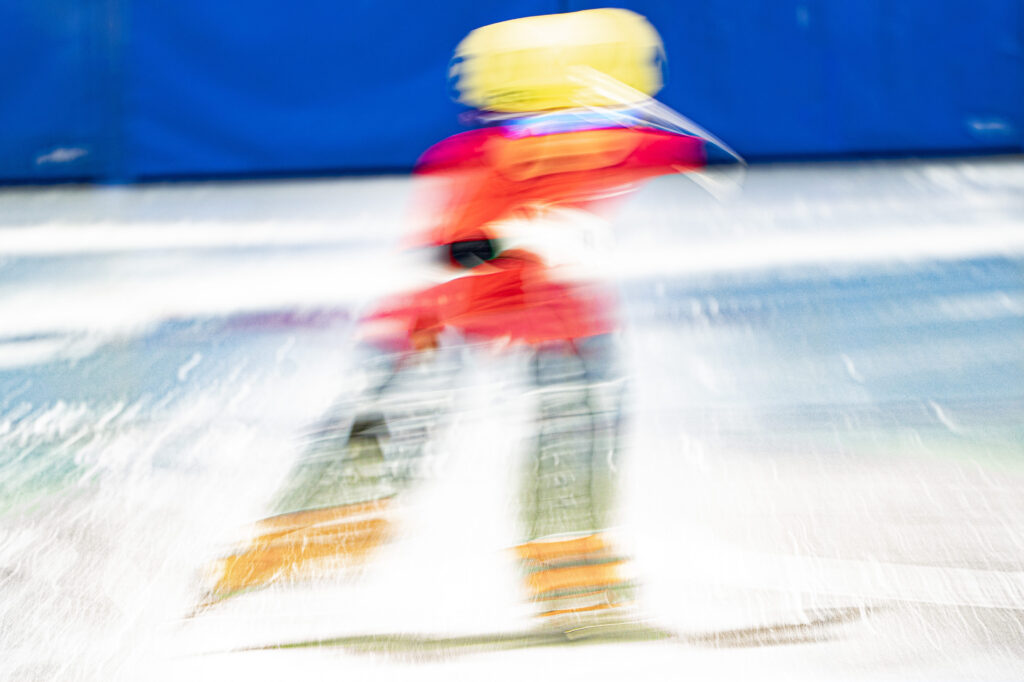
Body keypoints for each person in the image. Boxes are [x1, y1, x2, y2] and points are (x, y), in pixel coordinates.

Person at [202, 8, 728, 634]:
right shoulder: (496, 158)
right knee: (396, 421)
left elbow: (672, 150)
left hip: (542, 307)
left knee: (579, 409)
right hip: (452, 308)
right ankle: (309, 526)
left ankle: (568, 560)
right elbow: (456, 252)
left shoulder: (580, 146)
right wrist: (517, 230)